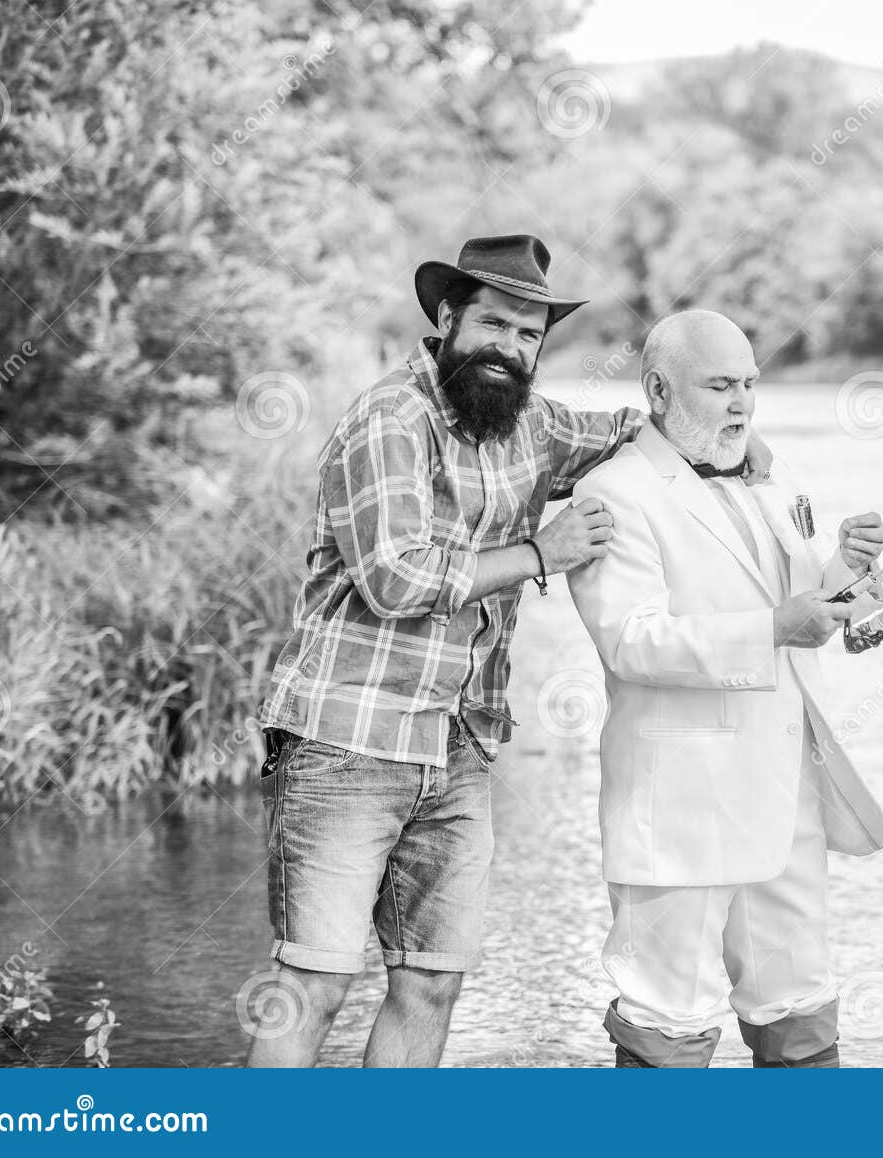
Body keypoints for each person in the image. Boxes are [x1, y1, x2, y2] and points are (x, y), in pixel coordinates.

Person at [247, 237, 772, 1067]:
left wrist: (728, 441)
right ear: (448, 318)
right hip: (347, 740)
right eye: (494, 324)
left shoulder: (531, 426)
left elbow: (637, 430)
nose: (510, 348)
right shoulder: (391, 417)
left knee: (430, 982)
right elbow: (393, 577)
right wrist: (541, 553)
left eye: (529, 336)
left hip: (459, 747)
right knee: (315, 980)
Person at [567, 309, 883, 1068]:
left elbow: (817, 607)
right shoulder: (614, 491)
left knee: (802, 1013)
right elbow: (631, 640)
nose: (742, 403)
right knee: (666, 1024)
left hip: (787, 802)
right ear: (656, 388)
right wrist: (775, 627)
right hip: (680, 807)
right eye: (719, 385)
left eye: (749, 383)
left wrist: (850, 566)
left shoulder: (776, 482)